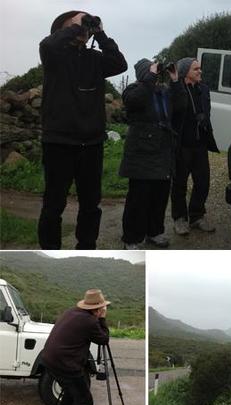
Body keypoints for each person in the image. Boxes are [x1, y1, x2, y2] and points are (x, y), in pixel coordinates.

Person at [38, 11, 127, 249]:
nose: (85, 27)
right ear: (63, 29)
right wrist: (75, 28)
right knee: (53, 205)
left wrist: (100, 32)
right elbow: (47, 44)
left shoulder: (94, 59)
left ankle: (87, 246)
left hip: (92, 143)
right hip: (59, 142)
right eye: (80, 22)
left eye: (87, 24)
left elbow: (119, 63)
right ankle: (51, 250)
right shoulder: (54, 56)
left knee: (91, 205)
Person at [119, 59, 187, 249]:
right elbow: (135, 101)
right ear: (144, 74)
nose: (157, 75)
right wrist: (149, 77)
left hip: (163, 151)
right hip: (141, 153)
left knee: (159, 197)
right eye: (152, 71)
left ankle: (154, 232)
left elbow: (181, 106)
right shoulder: (134, 90)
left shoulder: (163, 91)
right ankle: (131, 239)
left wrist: (175, 81)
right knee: (138, 200)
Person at [41, 289, 110, 405]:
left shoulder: (71, 312)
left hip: (49, 360)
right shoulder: (90, 321)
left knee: (71, 393)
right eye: (102, 308)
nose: (103, 309)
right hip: (66, 364)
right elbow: (104, 339)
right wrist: (102, 319)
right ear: (98, 308)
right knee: (86, 403)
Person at [170, 57, 219, 235]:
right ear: (185, 72)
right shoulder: (176, 89)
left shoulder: (204, 89)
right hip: (182, 145)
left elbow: (207, 110)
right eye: (196, 69)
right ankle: (180, 219)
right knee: (179, 184)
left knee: (203, 182)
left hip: (200, 145)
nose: (200, 71)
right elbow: (173, 112)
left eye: (200, 68)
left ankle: (197, 216)